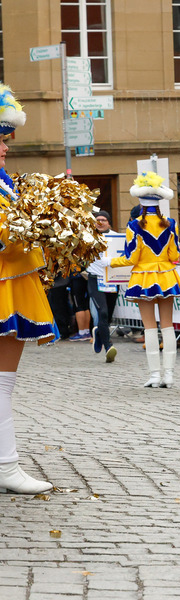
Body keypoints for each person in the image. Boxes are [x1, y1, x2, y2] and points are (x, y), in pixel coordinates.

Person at [0, 83, 58, 493]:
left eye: (5, 141)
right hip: (5, 286)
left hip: (12, 282)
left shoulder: (6, 183)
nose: (5, 148)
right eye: (0, 141)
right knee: (2, 381)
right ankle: (6, 467)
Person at [109, 173, 180, 386]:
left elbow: (131, 258)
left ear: (140, 203)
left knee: (149, 327)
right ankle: (169, 375)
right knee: (168, 326)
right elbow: (173, 255)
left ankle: (154, 375)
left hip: (143, 278)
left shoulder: (134, 226)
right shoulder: (170, 223)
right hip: (167, 276)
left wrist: (110, 262)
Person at [85, 210, 120, 363]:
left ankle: (99, 332)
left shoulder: (117, 237)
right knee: (103, 312)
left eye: (103, 220)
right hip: (95, 278)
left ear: (109, 222)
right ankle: (108, 347)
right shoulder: (88, 237)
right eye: (97, 220)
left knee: (109, 315)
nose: (100, 222)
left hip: (112, 280)